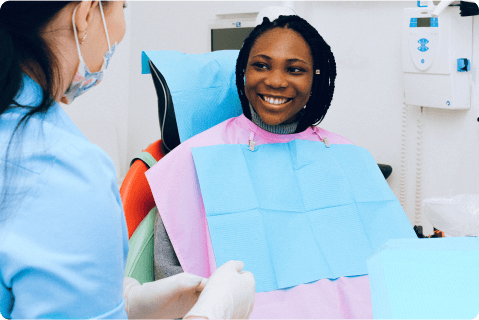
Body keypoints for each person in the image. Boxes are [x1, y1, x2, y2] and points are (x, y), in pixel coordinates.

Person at [0, 1, 255, 319]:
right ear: (86, 13)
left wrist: (123, 300)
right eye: (121, 5)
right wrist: (209, 314)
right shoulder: (68, 173)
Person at [147, 15, 374, 319]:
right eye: (262, 65)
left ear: (315, 79)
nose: (276, 81)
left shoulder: (346, 156)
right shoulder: (196, 157)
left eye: (294, 69)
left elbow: (385, 263)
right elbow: (170, 275)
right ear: (243, 72)